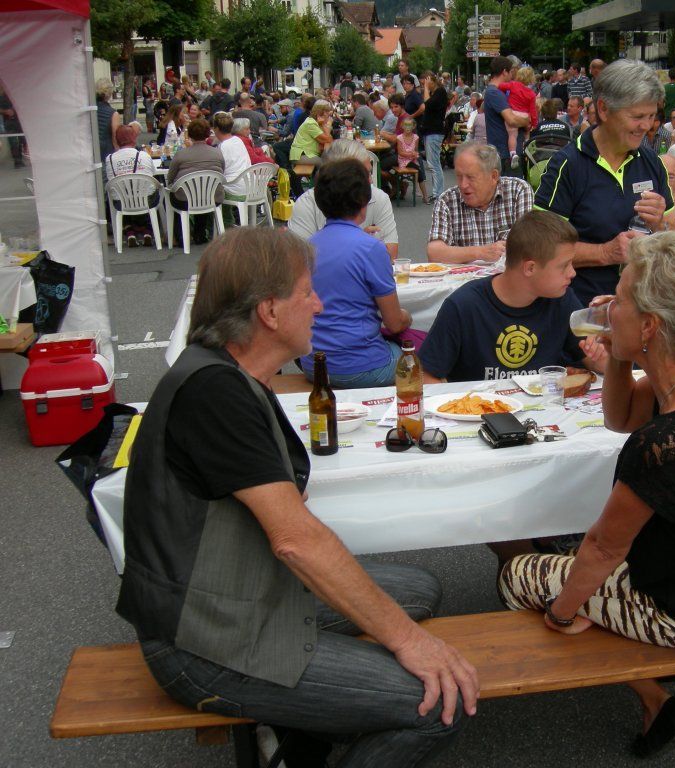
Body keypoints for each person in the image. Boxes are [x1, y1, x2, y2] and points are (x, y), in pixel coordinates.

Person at [117, 227, 477, 768]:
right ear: (268, 312)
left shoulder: (231, 371)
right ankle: (304, 726)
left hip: (235, 594)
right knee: (437, 706)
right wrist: (408, 643)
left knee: (419, 589)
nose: (320, 303)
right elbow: (295, 541)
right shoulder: (215, 393)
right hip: (203, 637)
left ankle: (296, 740)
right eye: (307, 291)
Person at [500, 231, 675, 758]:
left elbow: (603, 548)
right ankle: (649, 693)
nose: (604, 307)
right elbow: (620, 416)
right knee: (578, 575)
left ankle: (645, 685)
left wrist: (562, 612)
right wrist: (619, 352)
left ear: (650, 325)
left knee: (519, 577)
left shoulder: (668, 443)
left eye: (618, 299)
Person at [535, 59, 675, 306]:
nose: (645, 126)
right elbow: (542, 247)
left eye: (652, 116)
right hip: (581, 308)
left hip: (640, 306)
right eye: (637, 116)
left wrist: (660, 226)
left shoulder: (653, 163)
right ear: (603, 109)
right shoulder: (567, 165)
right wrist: (604, 253)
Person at [421, 210, 605, 383]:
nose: (572, 273)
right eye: (564, 266)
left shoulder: (562, 299)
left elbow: (598, 361)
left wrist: (608, 346)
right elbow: (426, 375)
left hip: (542, 409)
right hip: (479, 410)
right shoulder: (464, 306)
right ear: (530, 268)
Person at [301, 159, 412, 388]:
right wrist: (408, 317)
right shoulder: (370, 248)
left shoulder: (307, 247)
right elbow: (394, 322)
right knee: (420, 358)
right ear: (363, 201)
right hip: (361, 366)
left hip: (314, 365)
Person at [289, 139, 400, 261]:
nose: (371, 181)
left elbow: (391, 255)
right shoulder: (307, 203)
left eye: (369, 173)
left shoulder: (378, 197)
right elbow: (300, 262)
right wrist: (358, 241)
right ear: (336, 177)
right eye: (363, 175)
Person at [427, 142, 533, 265]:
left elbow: (527, 246)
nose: (463, 185)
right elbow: (434, 253)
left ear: (493, 176)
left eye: (470, 177)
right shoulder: (447, 201)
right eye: (459, 176)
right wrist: (480, 252)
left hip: (507, 280)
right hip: (462, 282)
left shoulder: (518, 191)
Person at [165, 118, 223, 244]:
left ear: (190, 135)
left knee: (176, 193)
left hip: (185, 200)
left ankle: (180, 236)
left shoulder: (181, 154)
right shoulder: (217, 153)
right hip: (212, 198)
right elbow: (221, 172)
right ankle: (200, 234)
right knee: (203, 190)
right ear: (208, 133)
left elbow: (170, 178)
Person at [485, 57, 533, 176]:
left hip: (506, 153)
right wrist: (526, 120)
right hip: (505, 155)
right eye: (511, 72)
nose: (513, 75)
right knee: (511, 191)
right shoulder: (494, 93)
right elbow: (511, 120)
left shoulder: (494, 91)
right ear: (504, 72)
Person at [497, 66, 539, 169]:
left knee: (512, 135)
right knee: (527, 131)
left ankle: (513, 153)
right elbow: (533, 111)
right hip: (524, 115)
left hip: (513, 114)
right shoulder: (531, 94)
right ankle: (526, 146)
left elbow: (500, 86)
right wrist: (534, 123)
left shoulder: (513, 85)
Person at [212, 112, 252, 206]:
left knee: (208, 191)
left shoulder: (222, 147)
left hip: (234, 191)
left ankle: (222, 219)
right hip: (249, 186)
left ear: (216, 129)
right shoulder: (238, 140)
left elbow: (219, 171)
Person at [419, 72, 448, 204]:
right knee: (432, 163)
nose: (424, 85)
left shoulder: (440, 92)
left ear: (431, 81)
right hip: (429, 131)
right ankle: (437, 192)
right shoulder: (436, 93)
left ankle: (439, 193)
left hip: (434, 132)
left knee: (434, 164)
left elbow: (427, 104)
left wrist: (425, 88)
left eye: (425, 82)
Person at [289, 100, 334, 167]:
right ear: (321, 112)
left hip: (308, 154)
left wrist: (323, 124)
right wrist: (327, 125)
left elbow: (325, 142)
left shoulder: (316, 123)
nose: (329, 115)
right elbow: (328, 140)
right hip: (300, 155)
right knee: (325, 164)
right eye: (327, 112)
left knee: (328, 161)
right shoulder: (310, 123)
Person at [396, 117, 429, 202]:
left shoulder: (416, 137)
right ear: (402, 126)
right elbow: (400, 152)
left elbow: (416, 150)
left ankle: (423, 194)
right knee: (418, 170)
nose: (408, 127)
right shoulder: (399, 138)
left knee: (418, 170)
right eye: (406, 125)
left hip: (412, 160)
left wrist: (415, 154)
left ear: (413, 126)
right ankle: (422, 194)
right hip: (403, 161)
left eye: (410, 125)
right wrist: (410, 154)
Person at [96, 77, 121, 161]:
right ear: (110, 93)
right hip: (106, 153)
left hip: (91, 151)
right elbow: (115, 138)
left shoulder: (91, 110)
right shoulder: (113, 113)